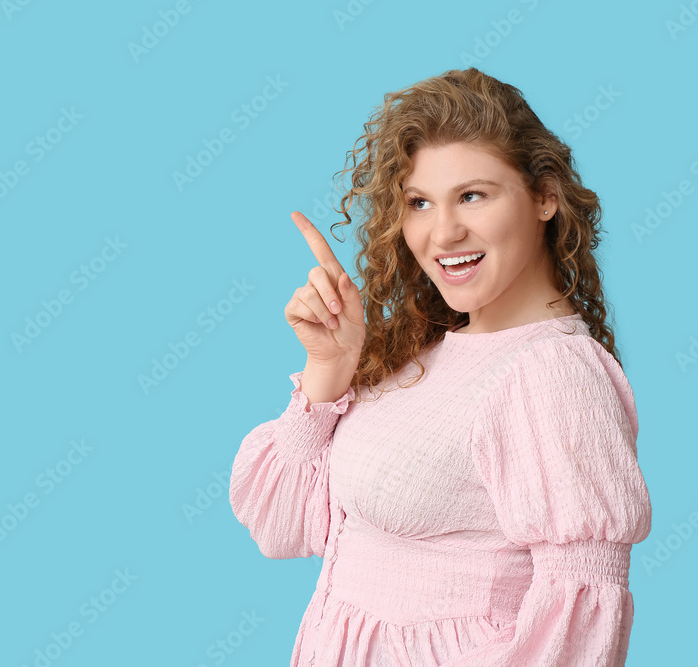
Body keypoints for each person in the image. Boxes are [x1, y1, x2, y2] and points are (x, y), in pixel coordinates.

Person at [228, 67, 652, 666]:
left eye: (473, 195)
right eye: (419, 203)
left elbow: (577, 630)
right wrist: (329, 368)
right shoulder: (426, 352)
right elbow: (281, 526)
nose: (444, 232)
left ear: (545, 196)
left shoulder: (553, 374)